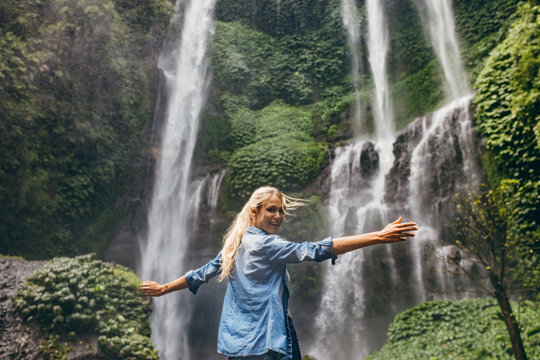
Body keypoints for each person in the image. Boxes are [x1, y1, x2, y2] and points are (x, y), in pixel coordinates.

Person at [140, 186, 418, 360]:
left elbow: (199, 274)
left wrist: (163, 288)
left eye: (281, 211)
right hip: (264, 340)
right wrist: (378, 236)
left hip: (240, 343)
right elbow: (314, 250)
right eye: (271, 210)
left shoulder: (236, 243)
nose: (278, 216)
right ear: (254, 211)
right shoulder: (265, 243)